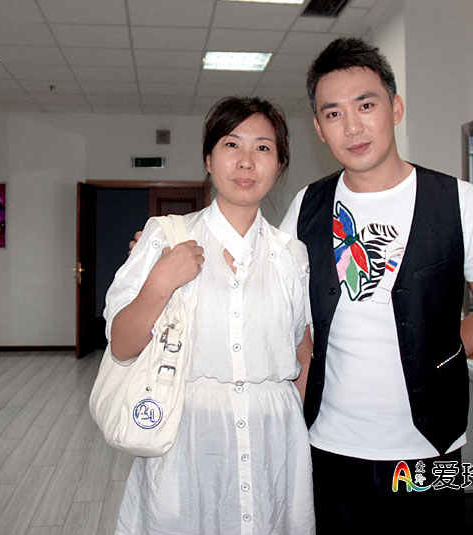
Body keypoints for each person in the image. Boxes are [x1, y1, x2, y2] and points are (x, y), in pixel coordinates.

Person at [277, 37, 473, 533]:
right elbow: (277, 305)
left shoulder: (456, 201)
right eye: (333, 113)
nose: (352, 126)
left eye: (365, 105)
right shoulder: (306, 207)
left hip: (428, 447)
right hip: (329, 443)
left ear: (396, 108)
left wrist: (438, 356)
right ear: (319, 129)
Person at [104, 97, 315, 534]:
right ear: (208, 158)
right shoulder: (164, 237)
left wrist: (289, 423)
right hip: (186, 440)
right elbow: (122, 346)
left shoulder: (291, 255)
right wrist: (160, 283)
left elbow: (302, 352)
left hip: (274, 443)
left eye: (263, 148)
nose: (246, 161)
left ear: (279, 164)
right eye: (231, 144)